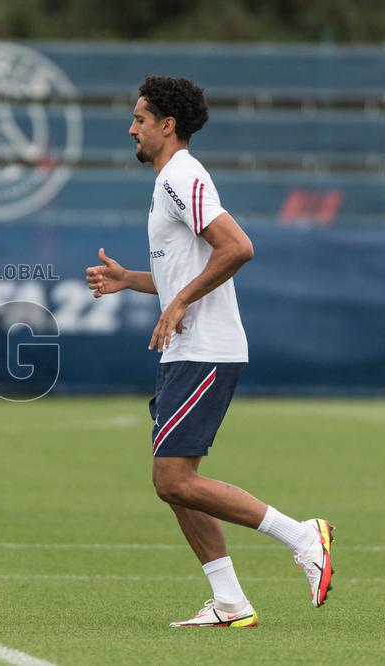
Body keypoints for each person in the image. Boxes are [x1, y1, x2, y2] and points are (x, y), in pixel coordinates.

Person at [85, 75, 334, 628]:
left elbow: (238, 247)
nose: (131, 129)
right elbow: (185, 271)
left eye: (140, 119)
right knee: (175, 484)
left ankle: (301, 535)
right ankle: (229, 602)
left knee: (173, 479)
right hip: (186, 351)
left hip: (205, 348)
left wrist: (179, 303)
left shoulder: (182, 175)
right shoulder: (168, 182)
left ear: (167, 125)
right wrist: (131, 280)